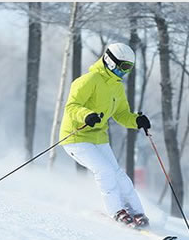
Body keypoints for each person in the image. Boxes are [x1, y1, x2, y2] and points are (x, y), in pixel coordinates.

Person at [60, 43, 152, 227]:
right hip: (76, 138)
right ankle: (117, 211)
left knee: (119, 175)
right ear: (111, 62)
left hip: (99, 138)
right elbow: (71, 106)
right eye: (124, 67)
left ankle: (137, 212)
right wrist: (86, 115)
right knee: (105, 171)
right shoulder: (89, 80)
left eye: (129, 68)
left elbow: (121, 114)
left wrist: (136, 121)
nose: (125, 72)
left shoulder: (116, 87)